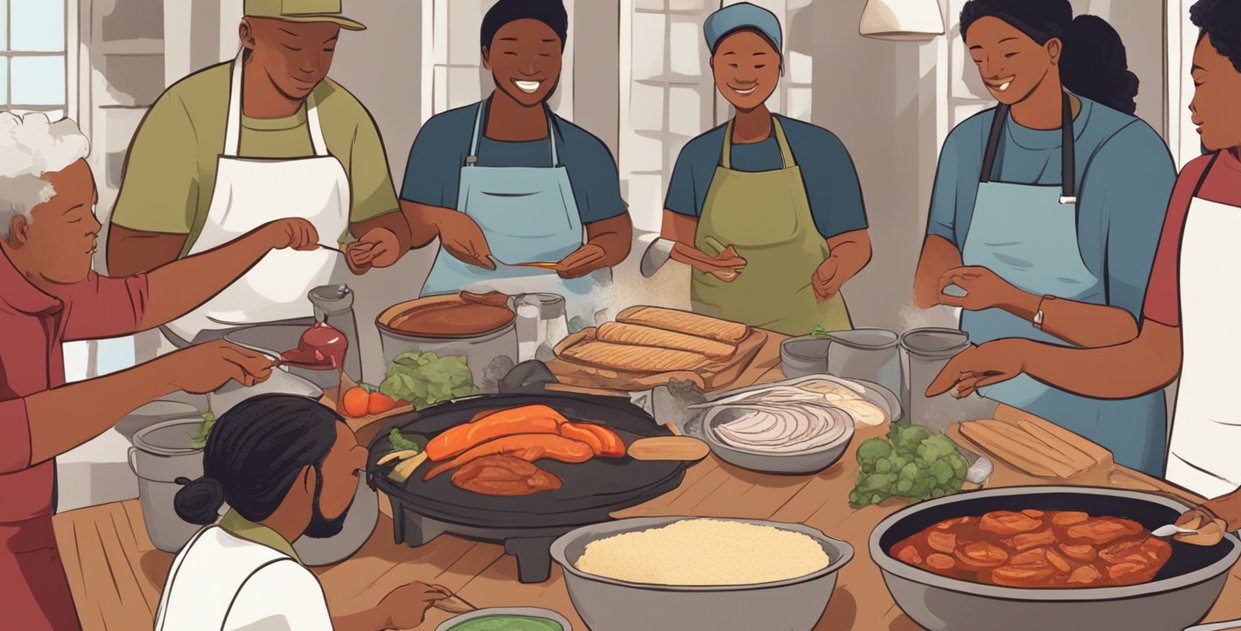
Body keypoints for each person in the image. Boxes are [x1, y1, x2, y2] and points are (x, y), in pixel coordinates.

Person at [928, 0, 1241, 555]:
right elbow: (1153, 358)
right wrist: (1023, 355)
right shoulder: (1195, 182)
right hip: (1192, 481)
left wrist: (1235, 510)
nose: (1191, 106)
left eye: (1202, 83)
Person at [0, 112, 316, 631]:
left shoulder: (39, 285)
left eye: (95, 205)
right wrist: (168, 373)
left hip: (32, 551)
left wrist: (260, 241)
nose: (96, 226)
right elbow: (12, 437)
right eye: (77, 213)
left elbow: (142, 300)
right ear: (20, 230)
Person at [151, 395, 489, 631]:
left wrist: (384, 617)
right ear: (308, 481)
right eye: (352, 472)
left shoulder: (207, 546)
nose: (360, 482)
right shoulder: (278, 584)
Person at [913, 0, 1176, 475]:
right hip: (988, 409)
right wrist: (933, 281)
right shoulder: (966, 143)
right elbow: (942, 238)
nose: (990, 70)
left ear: (1052, 49)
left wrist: (1009, 297)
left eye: (1007, 53)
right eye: (977, 55)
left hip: (1097, 422)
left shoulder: (1129, 152)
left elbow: (1129, 331)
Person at [106, 0, 410, 347]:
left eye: (327, 47)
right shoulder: (186, 113)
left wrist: (383, 243)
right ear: (247, 34)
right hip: (196, 340)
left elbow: (383, 219)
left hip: (314, 331)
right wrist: (259, 242)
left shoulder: (344, 115)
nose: (310, 65)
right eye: (291, 45)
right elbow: (132, 267)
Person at [399, 0, 632, 326]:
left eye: (545, 52)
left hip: (561, 314)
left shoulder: (584, 150)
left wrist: (599, 252)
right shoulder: (443, 135)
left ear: (560, 59)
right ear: (486, 56)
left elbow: (615, 233)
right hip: (459, 308)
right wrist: (441, 220)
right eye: (512, 52)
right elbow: (411, 229)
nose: (530, 66)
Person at [657, 3, 871, 335]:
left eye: (759, 62)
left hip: (810, 334)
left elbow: (856, 243)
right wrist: (708, 264)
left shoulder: (820, 149)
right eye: (731, 62)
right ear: (714, 66)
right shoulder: (696, 156)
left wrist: (837, 268)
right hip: (721, 337)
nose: (744, 75)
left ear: (780, 66)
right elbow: (672, 243)